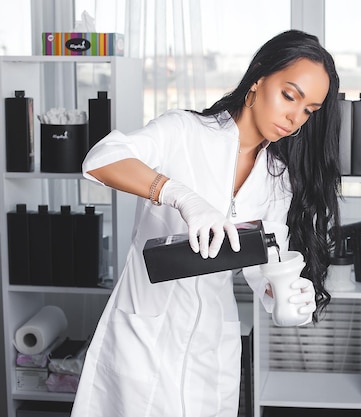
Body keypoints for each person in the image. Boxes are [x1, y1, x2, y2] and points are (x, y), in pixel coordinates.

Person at [70, 29, 341, 417]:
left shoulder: (276, 177)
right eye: (289, 96)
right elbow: (99, 160)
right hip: (143, 334)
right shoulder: (182, 132)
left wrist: (283, 296)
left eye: (309, 110)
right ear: (259, 77)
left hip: (212, 344)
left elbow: (265, 266)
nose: (295, 118)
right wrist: (179, 195)